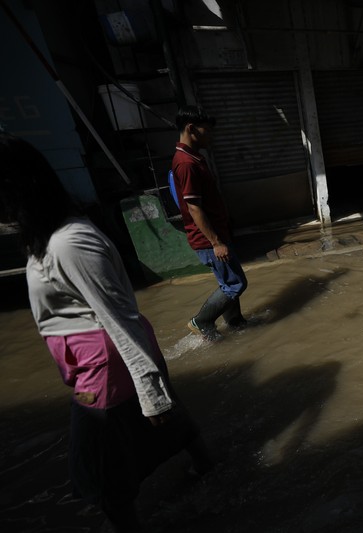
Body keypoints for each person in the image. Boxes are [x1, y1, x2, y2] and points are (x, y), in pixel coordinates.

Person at [0, 133, 211, 532]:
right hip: (100, 358)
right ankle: (207, 466)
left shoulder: (69, 243)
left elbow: (121, 317)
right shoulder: (49, 236)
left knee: (97, 472)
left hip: (105, 363)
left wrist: (151, 394)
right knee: (160, 425)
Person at [171, 105, 248, 340]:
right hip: (209, 239)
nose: (211, 136)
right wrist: (215, 241)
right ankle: (201, 321)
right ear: (192, 129)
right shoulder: (186, 163)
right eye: (208, 131)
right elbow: (194, 206)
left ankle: (235, 322)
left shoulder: (195, 157)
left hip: (217, 232)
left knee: (228, 282)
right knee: (235, 284)